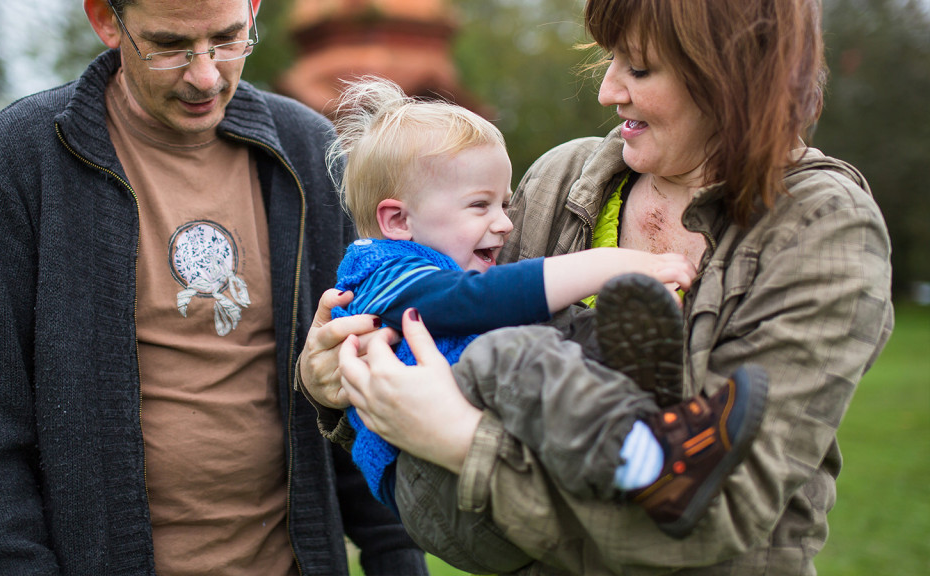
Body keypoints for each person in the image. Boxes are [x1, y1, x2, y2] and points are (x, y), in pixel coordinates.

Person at [299, 0, 895, 574]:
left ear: (728, 74)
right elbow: (453, 339)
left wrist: (463, 442)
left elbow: (722, 517)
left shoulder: (821, 224)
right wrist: (337, 381)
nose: (608, 90)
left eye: (639, 67)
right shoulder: (563, 177)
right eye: (610, 60)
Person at [0, 1, 428, 574]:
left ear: (253, 9)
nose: (205, 74)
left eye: (227, 39)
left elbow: (362, 379)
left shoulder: (308, 150)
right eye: (171, 46)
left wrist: (397, 555)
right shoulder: (25, 154)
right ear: (105, 20)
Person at [323, 76, 767, 541]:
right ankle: (648, 463)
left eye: (505, 203)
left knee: (559, 328)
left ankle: (643, 398)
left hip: (482, 455)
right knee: (510, 352)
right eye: (479, 206)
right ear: (397, 219)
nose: (504, 224)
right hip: (429, 484)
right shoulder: (377, 273)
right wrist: (604, 264)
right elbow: (481, 299)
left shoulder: (424, 258)